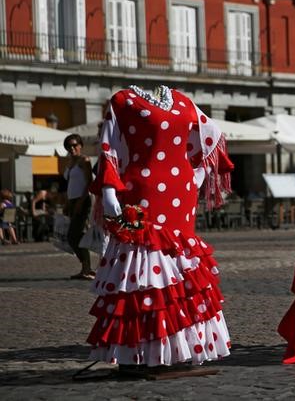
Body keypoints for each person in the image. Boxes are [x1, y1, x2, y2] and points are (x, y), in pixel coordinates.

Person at [87, 84, 234, 367]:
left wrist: (199, 174)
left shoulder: (183, 101)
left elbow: (212, 135)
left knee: (180, 267)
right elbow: (108, 146)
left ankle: (181, 348)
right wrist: (107, 190)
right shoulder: (123, 100)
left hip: (181, 192)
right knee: (143, 268)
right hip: (142, 189)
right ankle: (143, 350)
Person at [63, 134, 94, 279]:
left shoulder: (84, 160)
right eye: (69, 146)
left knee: (74, 236)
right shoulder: (70, 162)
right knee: (75, 236)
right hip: (72, 201)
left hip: (82, 200)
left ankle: (87, 268)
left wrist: (80, 203)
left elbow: (89, 183)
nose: (72, 148)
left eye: (75, 145)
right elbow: (69, 185)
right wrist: (67, 203)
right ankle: (86, 268)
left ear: (80, 145)